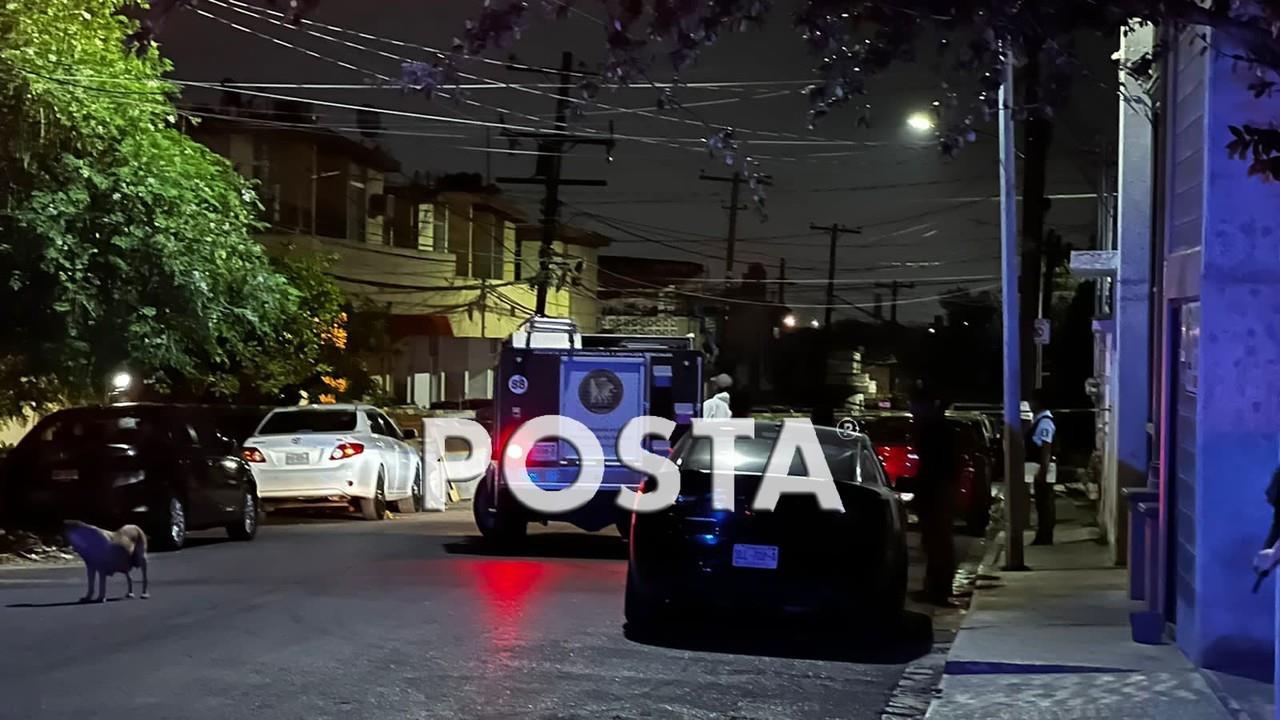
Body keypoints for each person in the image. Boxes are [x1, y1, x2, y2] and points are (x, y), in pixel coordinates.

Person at [913, 383, 958, 605]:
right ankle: (935, 587)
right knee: (934, 542)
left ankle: (939, 590)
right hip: (936, 489)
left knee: (938, 541)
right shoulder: (933, 427)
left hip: (937, 490)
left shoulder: (935, 429)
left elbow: (935, 464)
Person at [1026, 392, 1057, 546]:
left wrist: (1042, 471)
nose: (1030, 404)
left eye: (1032, 401)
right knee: (1042, 503)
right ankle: (1043, 535)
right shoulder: (1039, 420)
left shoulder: (1044, 422)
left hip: (1042, 469)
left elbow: (1046, 446)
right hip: (1039, 468)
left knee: (1045, 503)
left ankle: (1045, 536)